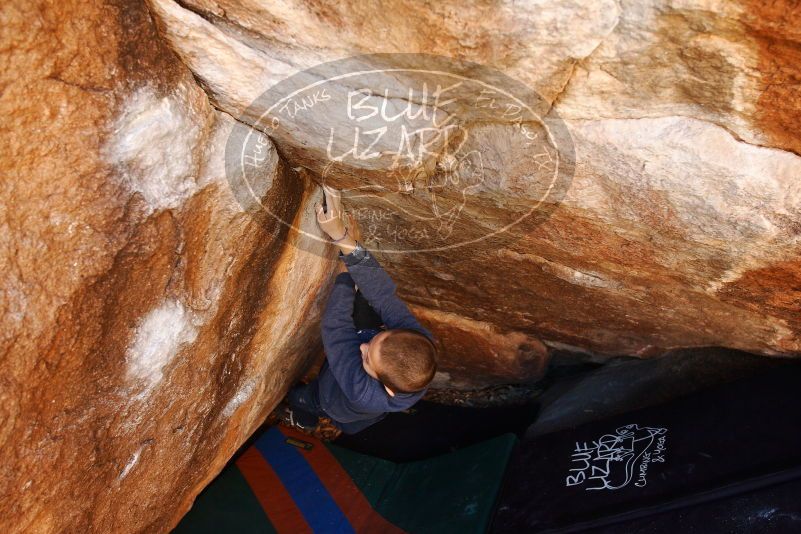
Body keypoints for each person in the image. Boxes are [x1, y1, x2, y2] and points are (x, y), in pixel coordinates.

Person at [284, 185, 438, 435]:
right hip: (365, 409)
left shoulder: (360, 387)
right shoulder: (419, 347)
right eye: (380, 337)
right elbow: (383, 295)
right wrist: (345, 241)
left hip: (333, 400)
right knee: (366, 306)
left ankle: (303, 415)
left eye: (367, 357)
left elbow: (336, 327)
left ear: (387, 388)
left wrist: (346, 275)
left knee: (304, 397)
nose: (362, 347)